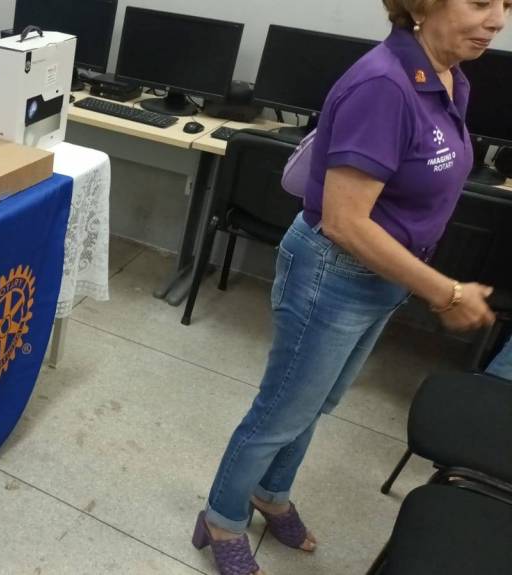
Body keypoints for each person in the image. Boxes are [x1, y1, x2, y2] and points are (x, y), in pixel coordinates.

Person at [190, 1, 507, 573]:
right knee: (282, 410)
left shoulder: (448, 78)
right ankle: (221, 517)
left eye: (506, 4)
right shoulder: (384, 87)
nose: (498, 20)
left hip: (384, 276)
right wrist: (446, 292)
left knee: (318, 403)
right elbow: (344, 222)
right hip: (335, 273)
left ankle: (271, 493)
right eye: (481, 1)